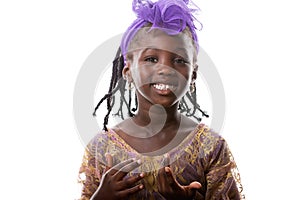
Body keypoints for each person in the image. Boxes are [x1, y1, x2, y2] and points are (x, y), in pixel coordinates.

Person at [78, 0, 244, 199]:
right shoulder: (102, 148)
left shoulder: (210, 147)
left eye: (179, 60)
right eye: (151, 59)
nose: (166, 69)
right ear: (128, 71)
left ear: (193, 74)